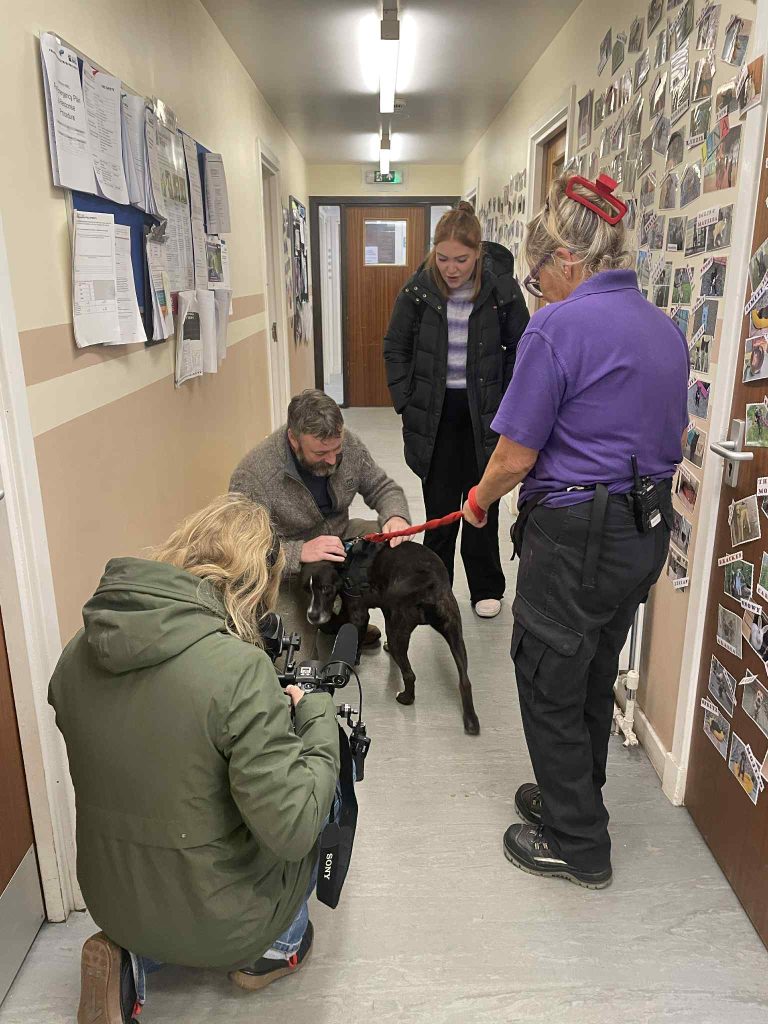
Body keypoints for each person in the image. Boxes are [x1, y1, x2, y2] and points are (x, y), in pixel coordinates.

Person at [462, 173, 688, 888]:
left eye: (537, 277)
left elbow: (514, 456)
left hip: (577, 536)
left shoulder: (558, 327)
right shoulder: (665, 329)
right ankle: (577, 797)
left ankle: (578, 842)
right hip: (643, 531)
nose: (537, 291)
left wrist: (477, 500)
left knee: (546, 677)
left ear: (567, 258)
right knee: (591, 667)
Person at [48, 495, 342, 1023]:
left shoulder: (76, 652)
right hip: (220, 921)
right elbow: (293, 829)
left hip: (112, 899)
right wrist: (315, 716)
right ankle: (272, 952)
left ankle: (131, 959)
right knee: (317, 796)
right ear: (256, 582)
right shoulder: (239, 671)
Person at [383, 202, 529, 619]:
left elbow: (523, 346)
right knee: (441, 509)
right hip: (435, 413)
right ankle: (436, 590)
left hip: (485, 412)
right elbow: (395, 347)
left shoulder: (501, 289)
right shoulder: (417, 290)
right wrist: (406, 399)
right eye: (443, 258)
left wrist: (508, 398)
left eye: (461, 259)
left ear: (478, 253)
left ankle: (486, 587)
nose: (451, 268)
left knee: (484, 502)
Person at [230, 389, 410, 651]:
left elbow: (383, 487)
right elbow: (241, 548)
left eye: (337, 449)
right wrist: (298, 551)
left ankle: (346, 621)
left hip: (340, 538)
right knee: (292, 655)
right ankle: (331, 621)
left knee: (392, 545)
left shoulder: (348, 444)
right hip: (285, 568)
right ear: (294, 440)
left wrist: (396, 516)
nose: (332, 459)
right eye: (321, 453)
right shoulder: (254, 474)